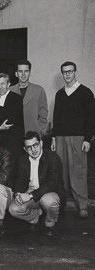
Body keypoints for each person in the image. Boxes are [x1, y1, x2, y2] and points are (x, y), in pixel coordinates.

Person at [51, 61, 95, 218]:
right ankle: (60, 203)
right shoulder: (60, 94)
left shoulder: (85, 92)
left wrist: (87, 139)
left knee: (78, 172)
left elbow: (91, 118)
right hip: (61, 137)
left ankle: (82, 205)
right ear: (62, 74)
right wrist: (54, 137)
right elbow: (56, 117)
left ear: (75, 72)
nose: (67, 74)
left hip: (78, 137)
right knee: (61, 172)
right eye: (64, 72)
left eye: (70, 71)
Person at [9, 131, 66, 236]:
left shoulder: (53, 158)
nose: (33, 150)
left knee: (48, 201)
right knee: (13, 209)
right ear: (25, 149)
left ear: (41, 143)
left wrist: (30, 195)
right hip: (31, 190)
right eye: (29, 147)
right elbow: (20, 180)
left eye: (35, 145)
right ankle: (36, 218)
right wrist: (18, 194)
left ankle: (50, 224)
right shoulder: (22, 160)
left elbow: (53, 183)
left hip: (50, 192)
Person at [0, 73, 25, 165]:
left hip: (13, 143)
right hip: (1, 143)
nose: (0, 87)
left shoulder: (16, 98)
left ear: (8, 84)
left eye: (2, 84)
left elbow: (10, 120)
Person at [10, 60, 48, 136]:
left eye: (26, 71)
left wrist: (40, 127)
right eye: (20, 71)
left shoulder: (38, 90)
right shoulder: (10, 90)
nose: (23, 74)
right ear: (16, 74)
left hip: (33, 132)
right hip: (14, 133)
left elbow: (43, 111)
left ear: (30, 73)